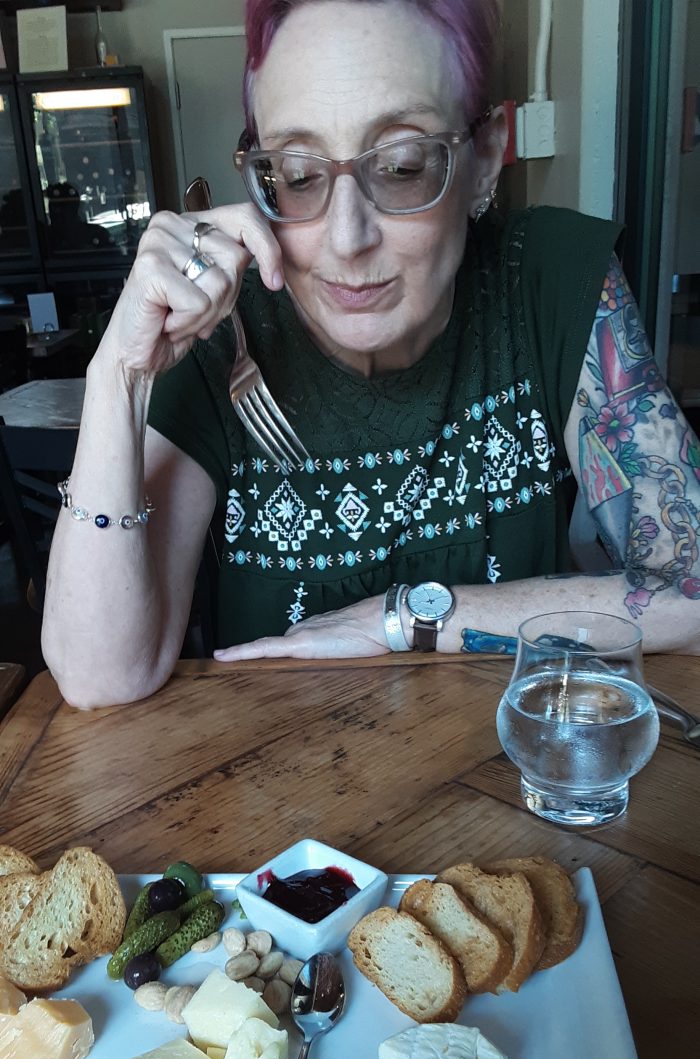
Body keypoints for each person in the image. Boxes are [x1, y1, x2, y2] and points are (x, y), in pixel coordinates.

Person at [41, 0, 700, 709]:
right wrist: (118, 376)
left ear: (484, 159)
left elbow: (691, 593)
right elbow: (101, 676)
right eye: (296, 175)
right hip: (273, 798)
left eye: (402, 166)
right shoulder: (217, 333)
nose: (346, 238)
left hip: (509, 790)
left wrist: (403, 619)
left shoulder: (549, 280)